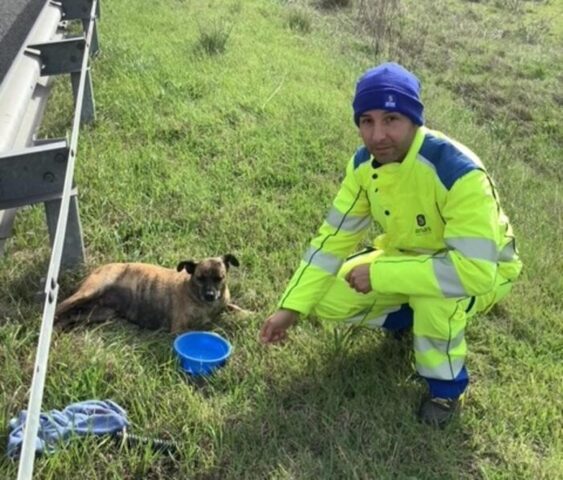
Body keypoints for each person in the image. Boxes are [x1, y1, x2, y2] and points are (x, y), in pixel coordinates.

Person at [259, 62, 522, 428]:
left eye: (391, 119)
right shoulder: (363, 165)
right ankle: (409, 317)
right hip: (406, 259)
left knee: (437, 299)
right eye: (366, 121)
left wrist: (380, 274)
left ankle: (445, 389)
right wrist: (291, 307)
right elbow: (332, 240)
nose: (377, 135)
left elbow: (473, 272)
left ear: (414, 120)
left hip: (483, 270)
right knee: (324, 296)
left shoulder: (458, 173)